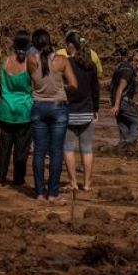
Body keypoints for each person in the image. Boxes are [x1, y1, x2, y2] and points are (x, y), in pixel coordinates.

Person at [28, 29, 78, 201]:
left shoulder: (31, 60)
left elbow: (32, 80)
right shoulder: (61, 60)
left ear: (34, 43)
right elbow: (74, 84)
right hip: (58, 107)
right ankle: (53, 193)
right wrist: (60, 87)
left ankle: (40, 192)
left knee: (39, 152)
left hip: (38, 106)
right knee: (56, 151)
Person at [0, 32, 34, 188]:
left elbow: (2, 87)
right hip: (24, 110)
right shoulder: (29, 63)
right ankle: (18, 179)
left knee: (4, 147)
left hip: (5, 110)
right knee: (21, 148)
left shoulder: (6, 62)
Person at [63, 31, 100, 192]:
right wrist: (96, 109)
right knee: (87, 148)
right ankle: (87, 184)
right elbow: (95, 90)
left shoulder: (65, 63)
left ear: (70, 45)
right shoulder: (90, 65)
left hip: (69, 111)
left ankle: (73, 182)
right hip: (87, 111)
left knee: (68, 148)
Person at [110, 50, 138, 148]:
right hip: (122, 102)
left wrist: (114, 104)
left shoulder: (123, 66)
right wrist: (117, 106)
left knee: (124, 125)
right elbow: (120, 88)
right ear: (133, 60)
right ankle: (126, 144)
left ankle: (122, 150)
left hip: (115, 100)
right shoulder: (128, 72)